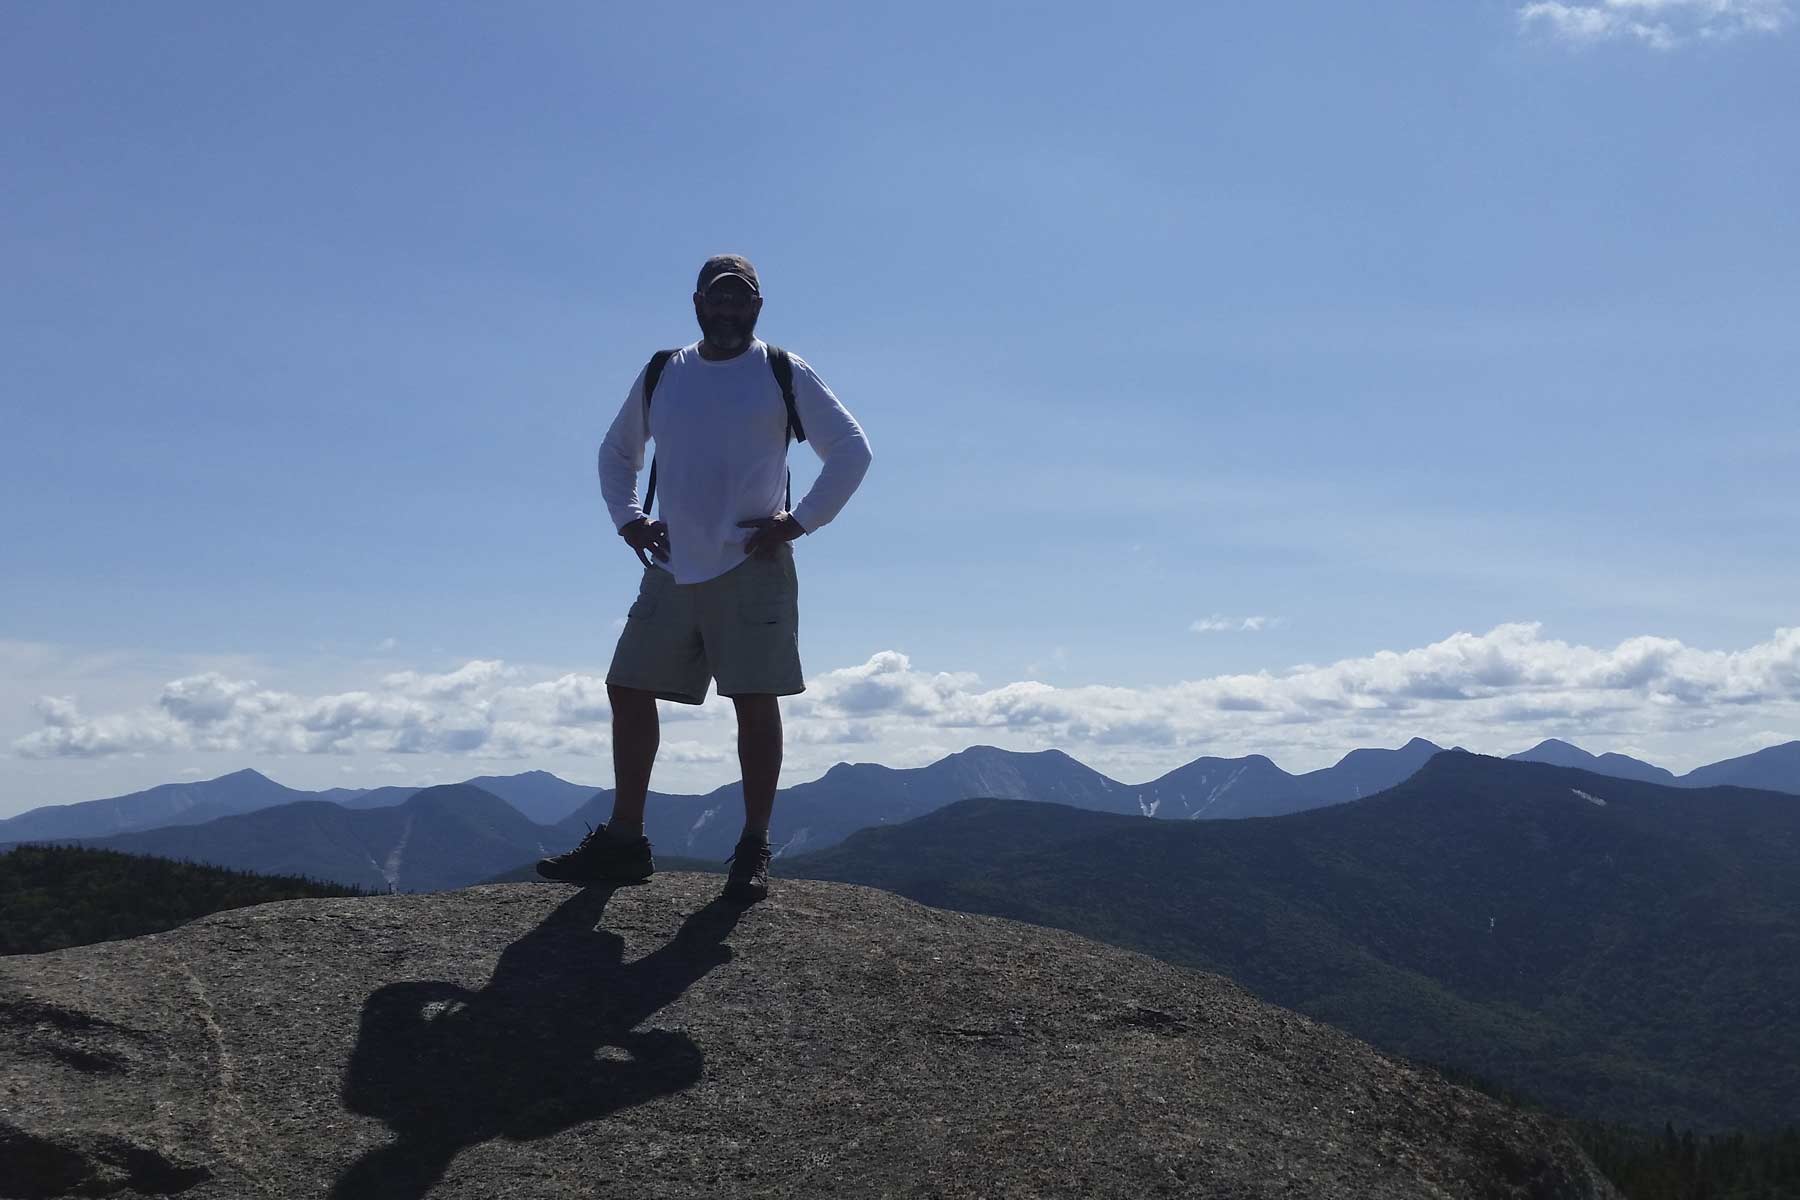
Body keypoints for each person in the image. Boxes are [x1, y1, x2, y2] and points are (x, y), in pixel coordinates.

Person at [537, 255, 873, 901]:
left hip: (753, 560)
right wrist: (628, 518)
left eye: (740, 299)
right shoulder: (665, 371)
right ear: (697, 302)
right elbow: (617, 451)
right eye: (718, 299)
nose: (728, 309)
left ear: (757, 305)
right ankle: (625, 842)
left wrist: (800, 523)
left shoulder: (782, 370)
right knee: (628, 687)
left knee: (753, 698)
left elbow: (852, 449)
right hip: (671, 564)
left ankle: (752, 847)